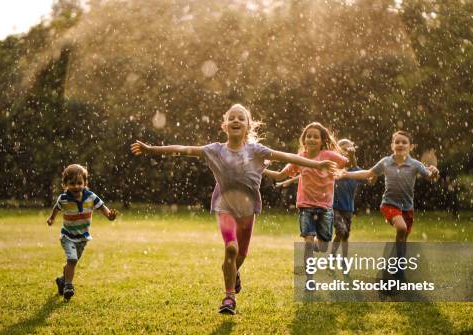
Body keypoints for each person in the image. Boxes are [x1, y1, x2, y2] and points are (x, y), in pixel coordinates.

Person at [130, 104, 337, 314]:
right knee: (231, 248)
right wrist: (152, 149)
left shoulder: (257, 151)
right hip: (224, 206)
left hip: (248, 210)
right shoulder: (215, 150)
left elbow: (287, 157)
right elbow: (183, 149)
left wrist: (316, 165)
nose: (236, 120)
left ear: (248, 126)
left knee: (240, 256)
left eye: (241, 118)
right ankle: (229, 298)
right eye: (232, 118)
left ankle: (233, 271)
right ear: (225, 125)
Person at [338, 130, 438, 278]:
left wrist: (434, 172)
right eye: (397, 142)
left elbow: (430, 177)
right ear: (392, 145)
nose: (400, 144)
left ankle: (399, 267)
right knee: (401, 227)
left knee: (403, 238)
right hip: (389, 205)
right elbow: (368, 173)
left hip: (407, 208)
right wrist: (347, 174)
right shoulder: (386, 162)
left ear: (411, 147)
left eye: (404, 142)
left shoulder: (415, 165)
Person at [262, 122, 349, 284]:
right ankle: (310, 280)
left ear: (322, 140)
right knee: (308, 243)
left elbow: (346, 162)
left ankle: (317, 245)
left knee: (322, 247)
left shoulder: (329, 155)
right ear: (304, 139)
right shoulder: (299, 158)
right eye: (309, 136)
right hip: (306, 206)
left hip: (325, 208)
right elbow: (280, 175)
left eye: (316, 137)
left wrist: (349, 154)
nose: (312, 139)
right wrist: (261, 170)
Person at [276, 138, 366, 270]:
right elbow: (307, 173)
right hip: (332, 207)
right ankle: (330, 255)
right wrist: (290, 181)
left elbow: (363, 173)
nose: (346, 153)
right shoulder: (332, 166)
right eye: (344, 150)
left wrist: (372, 175)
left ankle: (342, 260)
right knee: (341, 230)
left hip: (348, 208)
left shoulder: (353, 170)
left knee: (345, 236)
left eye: (349, 150)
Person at [46, 164, 118, 301]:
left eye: (79, 183)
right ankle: (68, 286)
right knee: (72, 259)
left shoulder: (91, 197)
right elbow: (56, 208)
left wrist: (110, 215)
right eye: (72, 183)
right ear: (65, 184)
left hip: (83, 237)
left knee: (72, 262)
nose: (76, 186)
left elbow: (102, 207)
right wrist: (51, 218)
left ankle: (62, 280)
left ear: (85, 183)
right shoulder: (63, 199)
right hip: (67, 235)